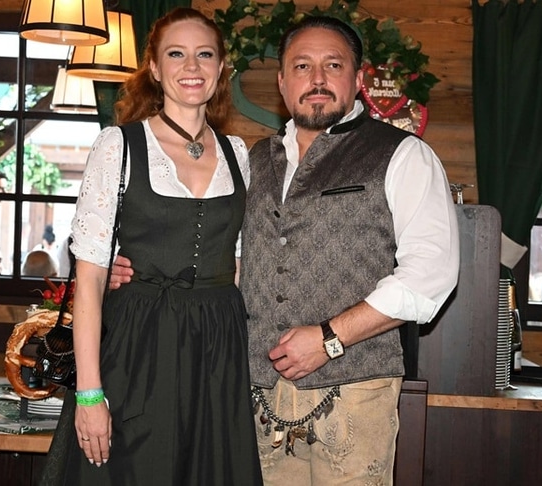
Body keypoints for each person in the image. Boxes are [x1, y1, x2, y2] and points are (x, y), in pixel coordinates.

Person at [111, 15, 459, 485]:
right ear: (281, 82)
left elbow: (430, 275)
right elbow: (220, 253)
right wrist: (134, 269)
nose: (317, 79)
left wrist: (330, 338)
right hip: (255, 396)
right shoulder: (250, 160)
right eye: (301, 66)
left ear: (358, 78)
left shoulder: (403, 154)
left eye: (332, 65)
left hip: (356, 394)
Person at [41, 8, 262, 486]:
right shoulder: (118, 146)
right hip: (139, 343)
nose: (192, 67)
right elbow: (90, 279)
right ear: (155, 68)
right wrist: (89, 394)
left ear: (221, 67)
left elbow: (238, 263)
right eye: (176, 54)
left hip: (217, 346)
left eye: (205, 55)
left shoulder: (237, 153)